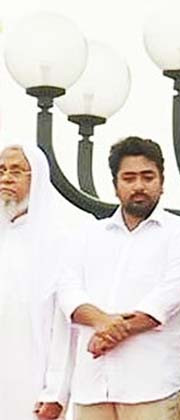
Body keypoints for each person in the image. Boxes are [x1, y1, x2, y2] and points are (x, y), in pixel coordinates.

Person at [57, 137, 180, 420]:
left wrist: (110, 332)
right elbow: (68, 290)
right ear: (115, 185)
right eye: (129, 178)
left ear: (162, 182)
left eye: (148, 177)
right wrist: (103, 323)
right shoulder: (87, 235)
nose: (139, 186)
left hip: (153, 385)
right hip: (92, 385)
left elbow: (168, 298)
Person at [0, 144, 74, 420]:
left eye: (16, 171)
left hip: (31, 380)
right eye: (1, 171)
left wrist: (56, 391)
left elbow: (63, 324)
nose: (6, 178)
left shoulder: (58, 240)